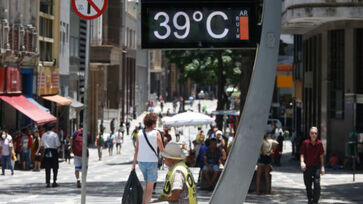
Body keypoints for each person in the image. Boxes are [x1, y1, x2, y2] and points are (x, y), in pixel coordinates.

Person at [132, 113, 164, 204]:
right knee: (150, 188)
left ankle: (143, 202)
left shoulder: (140, 133)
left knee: (147, 185)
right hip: (151, 162)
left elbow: (136, 149)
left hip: (141, 162)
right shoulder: (156, 133)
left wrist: (133, 165)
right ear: (153, 122)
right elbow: (162, 149)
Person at [300, 127, 325, 204]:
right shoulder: (305, 143)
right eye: (312, 133)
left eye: (315, 133)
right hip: (307, 166)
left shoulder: (320, 143)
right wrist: (302, 162)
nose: (314, 135)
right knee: (308, 185)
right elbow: (302, 154)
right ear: (309, 134)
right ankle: (310, 199)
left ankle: (315, 201)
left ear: (317, 134)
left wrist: (322, 167)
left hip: (316, 166)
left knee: (317, 184)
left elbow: (321, 156)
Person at [41, 123, 61, 187]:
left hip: (46, 151)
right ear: (52, 128)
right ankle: (54, 181)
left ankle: (48, 182)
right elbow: (57, 144)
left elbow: (42, 144)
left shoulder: (43, 135)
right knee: (55, 167)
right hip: (53, 151)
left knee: (47, 167)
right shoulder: (55, 135)